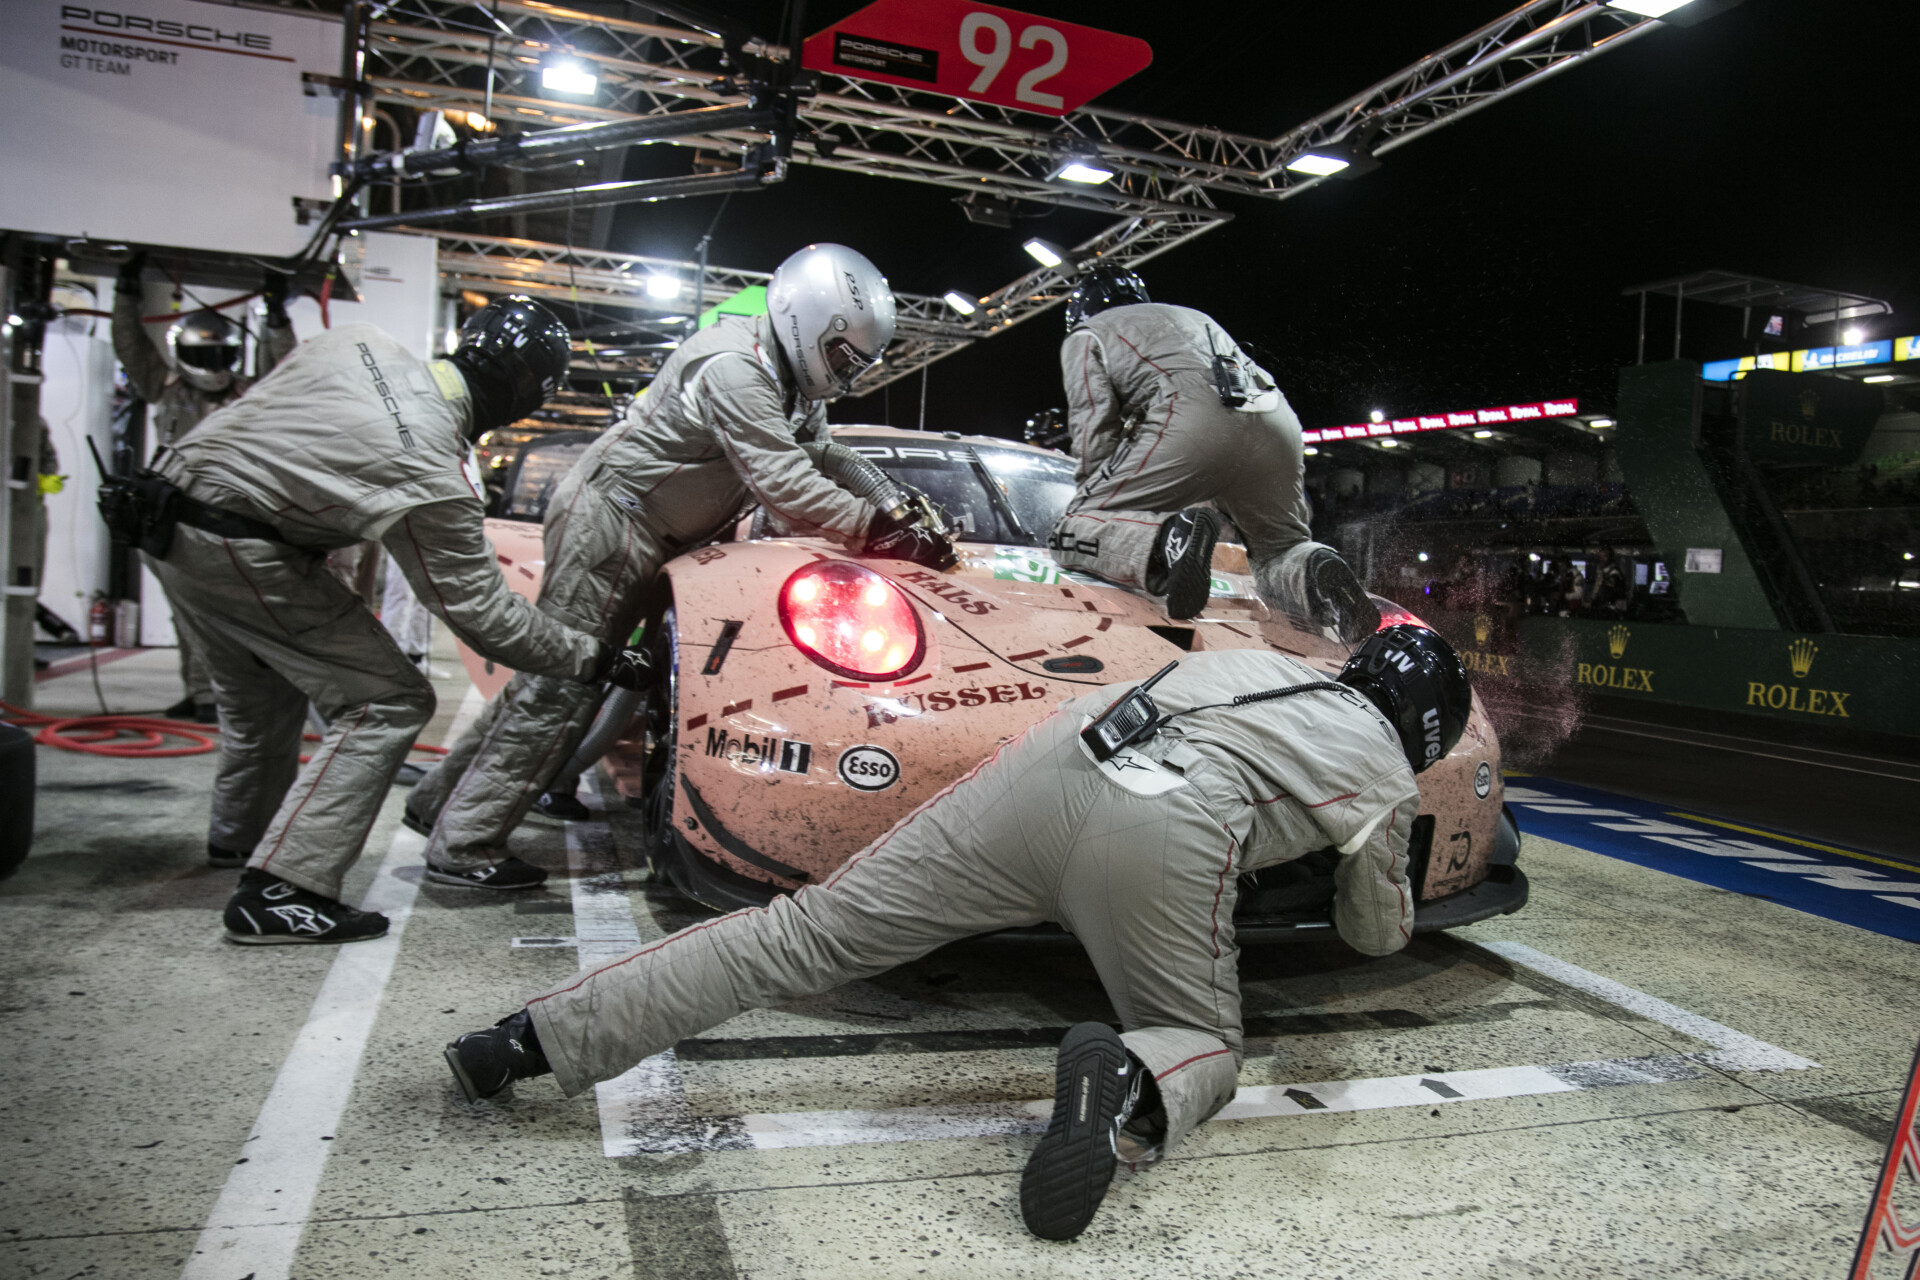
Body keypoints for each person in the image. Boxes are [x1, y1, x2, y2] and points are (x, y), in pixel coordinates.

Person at [444, 626, 1471, 1241]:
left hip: (1053, 765)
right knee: (1201, 1037)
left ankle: (530, 1037)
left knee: (804, 931)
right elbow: (1376, 933)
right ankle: (1128, 1078)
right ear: (1426, 724)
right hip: (1170, 825)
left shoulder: (1252, 659)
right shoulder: (1384, 763)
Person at [403, 244, 953, 887]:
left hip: (638, 523)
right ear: (807, 321)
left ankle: (437, 804)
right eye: (841, 356)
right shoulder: (736, 368)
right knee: (564, 684)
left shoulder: (786, 377)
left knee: (551, 679)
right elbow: (782, 480)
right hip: (616, 519)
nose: (844, 374)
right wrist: (876, 528)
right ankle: (464, 845)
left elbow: (824, 455)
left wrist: (893, 504)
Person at [135, 296, 642, 941]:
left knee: (259, 700)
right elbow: (488, 620)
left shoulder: (355, 340)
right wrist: (600, 658)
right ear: (521, 399)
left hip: (159, 518)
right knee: (389, 699)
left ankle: (242, 844)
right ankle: (282, 890)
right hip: (236, 545)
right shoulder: (434, 467)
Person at [1044, 265, 1377, 636]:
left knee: (1072, 527)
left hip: (1191, 418)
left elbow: (1094, 427)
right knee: (1279, 549)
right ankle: (1314, 568)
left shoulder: (1087, 335)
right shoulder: (1195, 316)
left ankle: (1169, 541)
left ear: (1080, 313)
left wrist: (1099, 505)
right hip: (1275, 421)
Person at [114, 254, 296, 722]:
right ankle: (201, 695)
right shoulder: (167, 387)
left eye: (220, 356)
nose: (213, 365)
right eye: (205, 356)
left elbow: (288, 368)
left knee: (228, 618)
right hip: (169, 517)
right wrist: (125, 293)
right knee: (186, 615)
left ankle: (228, 696)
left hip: (228, 517)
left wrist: (276, 316)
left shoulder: (249, 392)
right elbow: (131, 348)